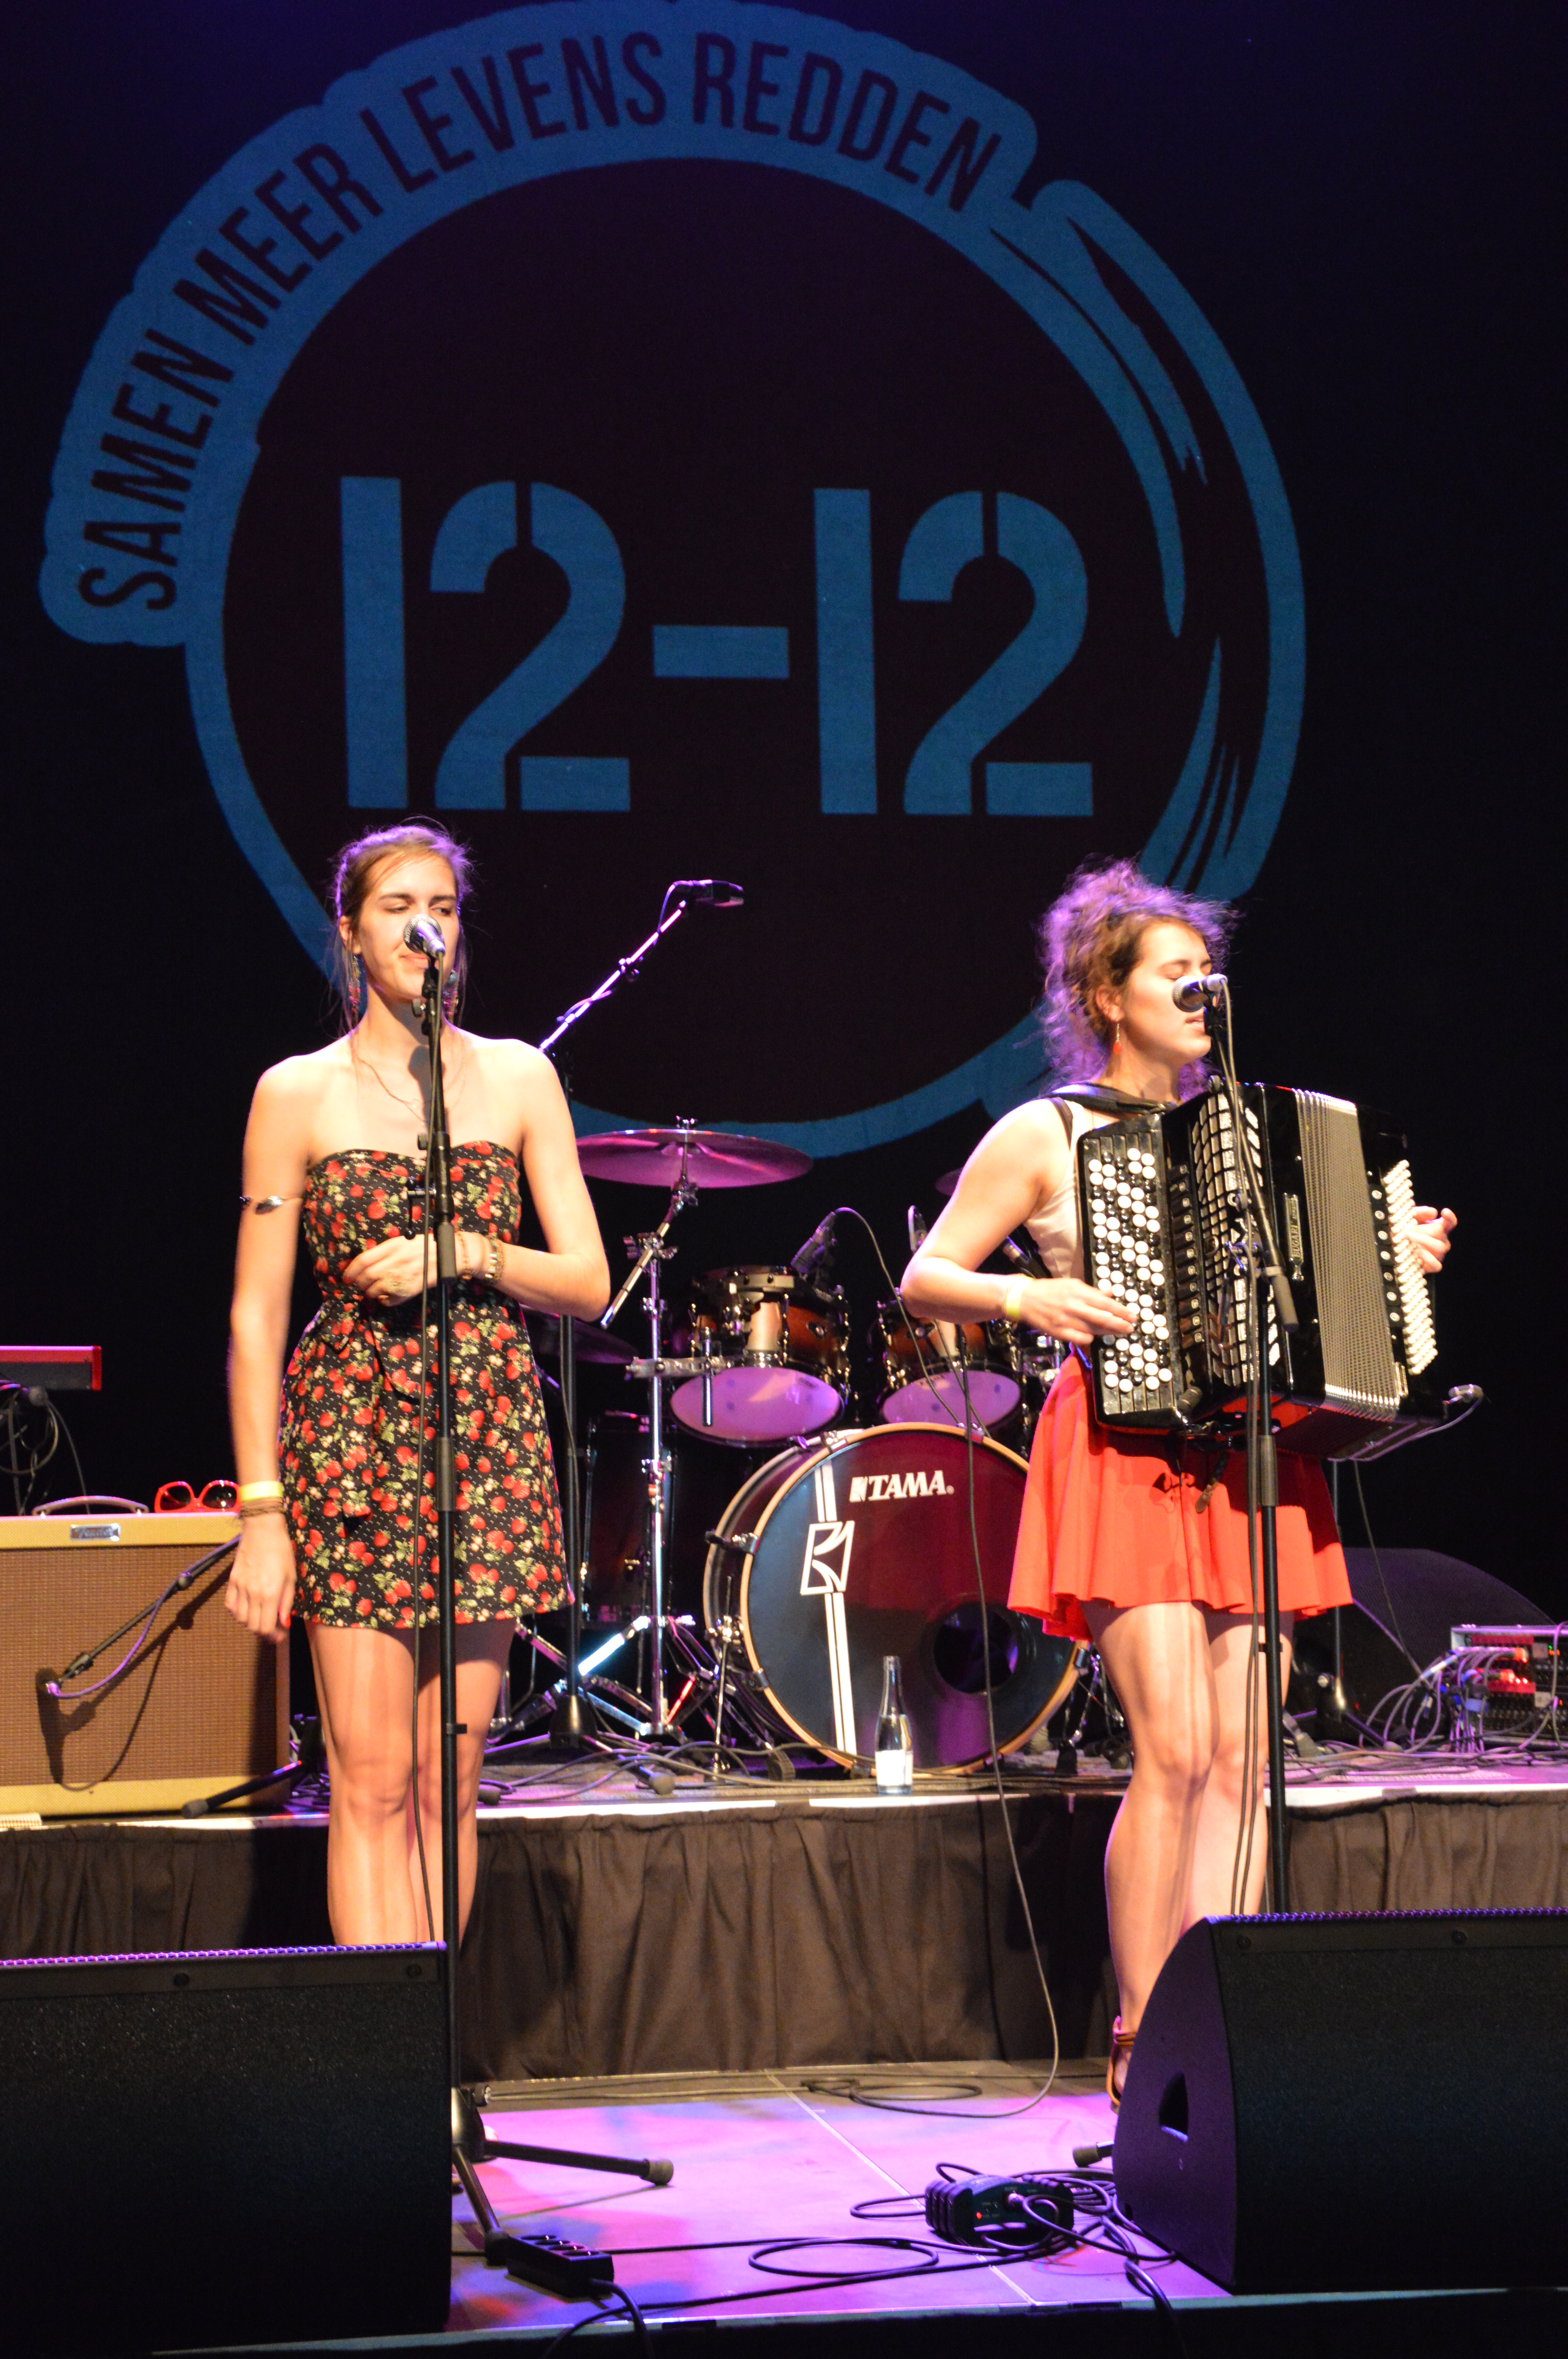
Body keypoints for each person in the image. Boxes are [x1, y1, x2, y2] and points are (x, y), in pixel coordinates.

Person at [900, 860, 1454, 2101]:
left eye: (1209, 974)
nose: (1204, 992)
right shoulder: (1047, 1131)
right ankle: (1145, 2040)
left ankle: (1226, 2023)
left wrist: (1394, 1258)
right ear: (1106, 994)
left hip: (1250, 1460)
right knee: (1179, 1752)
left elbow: (1320, 1297)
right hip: (1121, 1447)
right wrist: (1026, 1292)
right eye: (1173, 975)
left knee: (1249, 1760)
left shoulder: (1261, 1135)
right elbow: (927, 1278)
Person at [223, 821, 610, 1947]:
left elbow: (586, 1280)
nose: (421, 923)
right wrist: (261, 1511)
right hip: (351, 1440)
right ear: (350, 932)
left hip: (485, 1434)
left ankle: (435, 2058)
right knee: (376, 1775)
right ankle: (380, 2072)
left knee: (452, 1776)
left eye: (439, 902)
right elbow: (255, 1316)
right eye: (395, 904)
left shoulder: (517, 1076)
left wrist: (467, 1252)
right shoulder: (295, 1093)